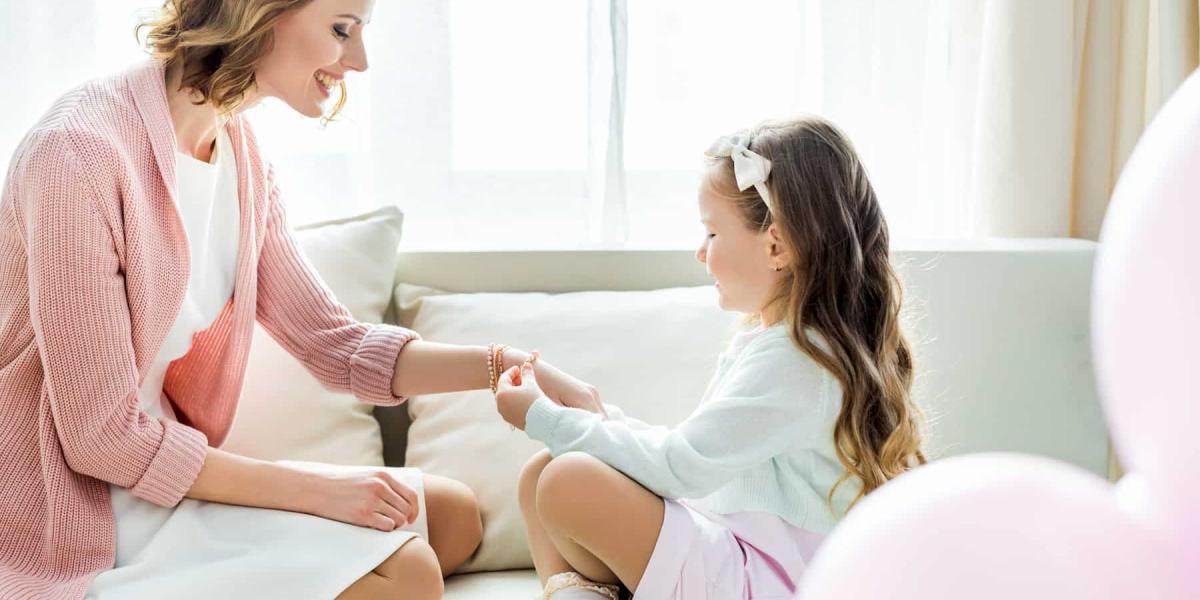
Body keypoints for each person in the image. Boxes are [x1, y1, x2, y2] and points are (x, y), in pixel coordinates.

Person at [0, 1, 601, 598]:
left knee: (451, 514)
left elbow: (334, 345)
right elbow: (102, 438)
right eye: (342, 29)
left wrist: (506, 366)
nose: (359, 61)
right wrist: (319, 493)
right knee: (409, 573)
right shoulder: (77, 154)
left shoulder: (237, 149)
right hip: (76, 503)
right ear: (258, 11)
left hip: (160, 467)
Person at [495, 116, 928, 600]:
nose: (701, 253)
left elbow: (680, 466)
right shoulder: (778, 342)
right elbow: (694, 453)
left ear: (776, 245)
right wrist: (597, 421)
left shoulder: (796, 361)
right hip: (738, 547)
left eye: (713, 234)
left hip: (771, 581)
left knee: (566, 480)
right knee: (542, 473)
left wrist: (545, 418)